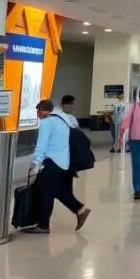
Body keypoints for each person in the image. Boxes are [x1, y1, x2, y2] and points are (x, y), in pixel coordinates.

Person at [25, 100, 90, 235]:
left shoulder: (47, 123)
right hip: (65, 163)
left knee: (46, 192)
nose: (38, 114)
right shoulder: (62, 119)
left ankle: (43, 225)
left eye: (39, 111)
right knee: (59, 191)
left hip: (52, 162)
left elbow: (41, 145)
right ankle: (80, 210)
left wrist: (34, 163)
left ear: (45, 110)